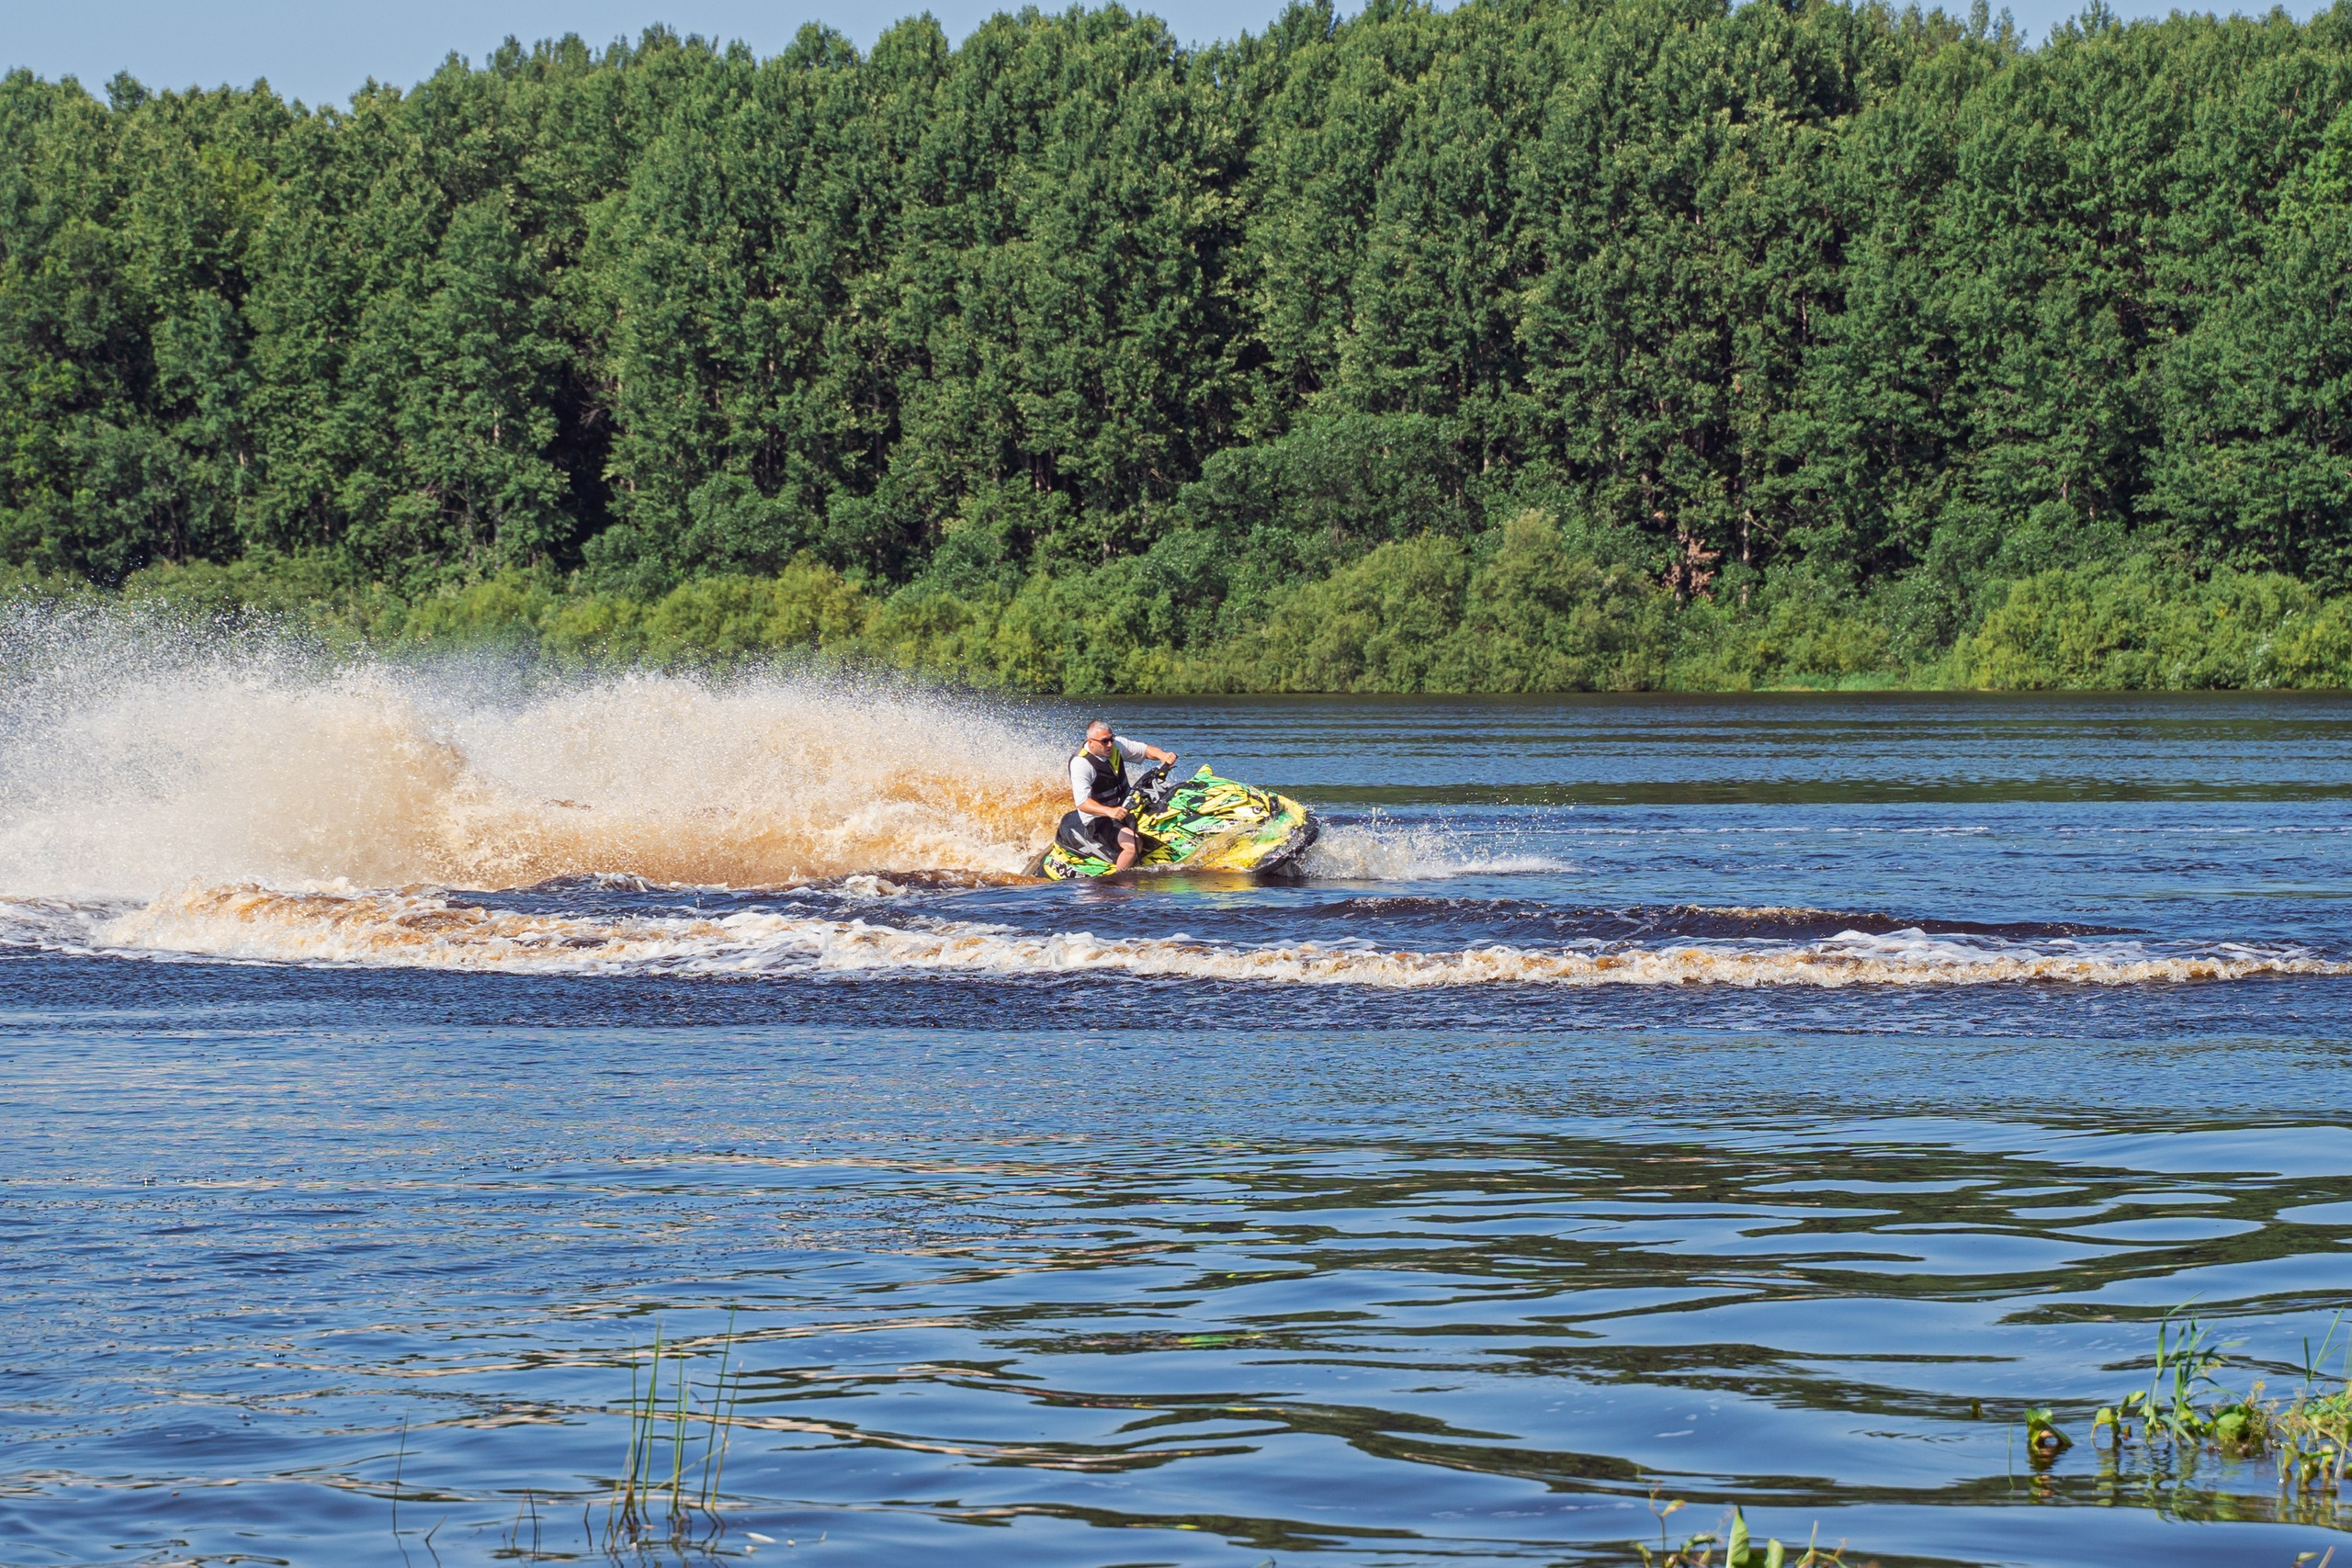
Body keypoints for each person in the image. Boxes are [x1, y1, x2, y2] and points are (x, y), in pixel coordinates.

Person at [1060, 720, 1179, 872]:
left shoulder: (1116, 746)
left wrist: (1163, 756)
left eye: (1111, 739)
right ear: (1091, 742)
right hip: (1099, 819)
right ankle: (1117, 880)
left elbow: (1145, 750)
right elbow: (1083, 803)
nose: (1110, 744)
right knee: (1133, 845)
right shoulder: (1081, 764)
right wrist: (1110, 811)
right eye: (1104, 741)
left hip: (1126, 806)